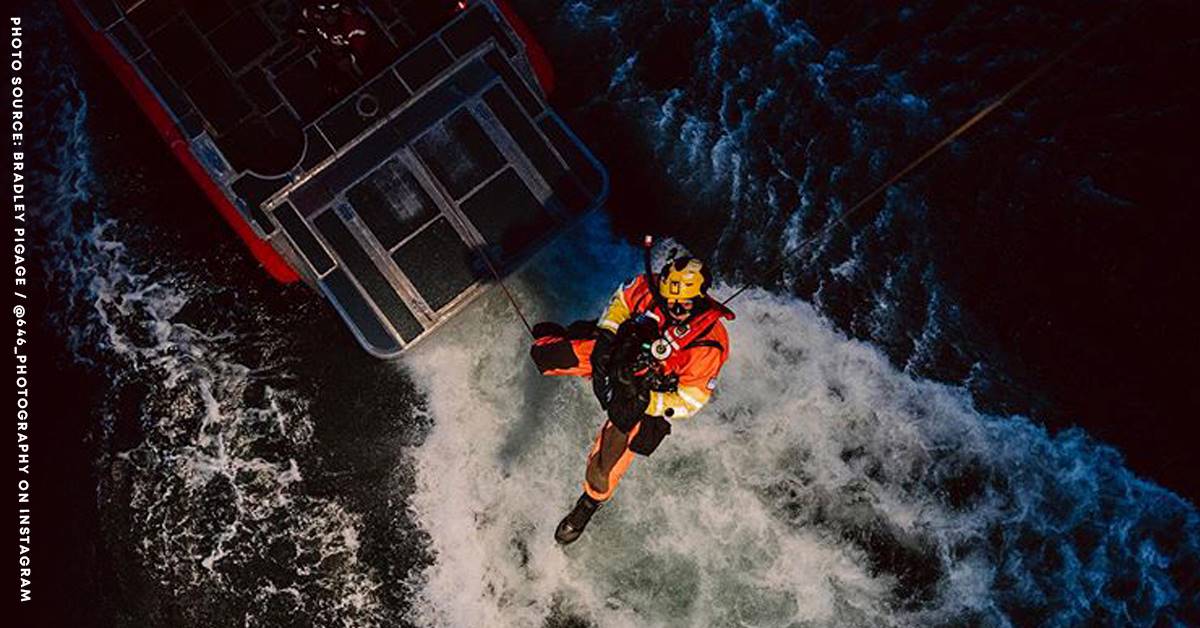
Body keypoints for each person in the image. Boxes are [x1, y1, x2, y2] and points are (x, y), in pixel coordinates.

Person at [530, 253, 733, 545]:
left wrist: (646, 400)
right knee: (543, 355)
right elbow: (623, 300)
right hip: (618, 355)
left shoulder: (709, 344)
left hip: (642, 396)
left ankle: (587, 505)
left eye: (683, 304)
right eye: (669, 301)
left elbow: (691, 400)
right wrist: (607, 338)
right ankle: (568, 336)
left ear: (700, 298)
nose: (674, 309)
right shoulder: (650, 289)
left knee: (605, 468)